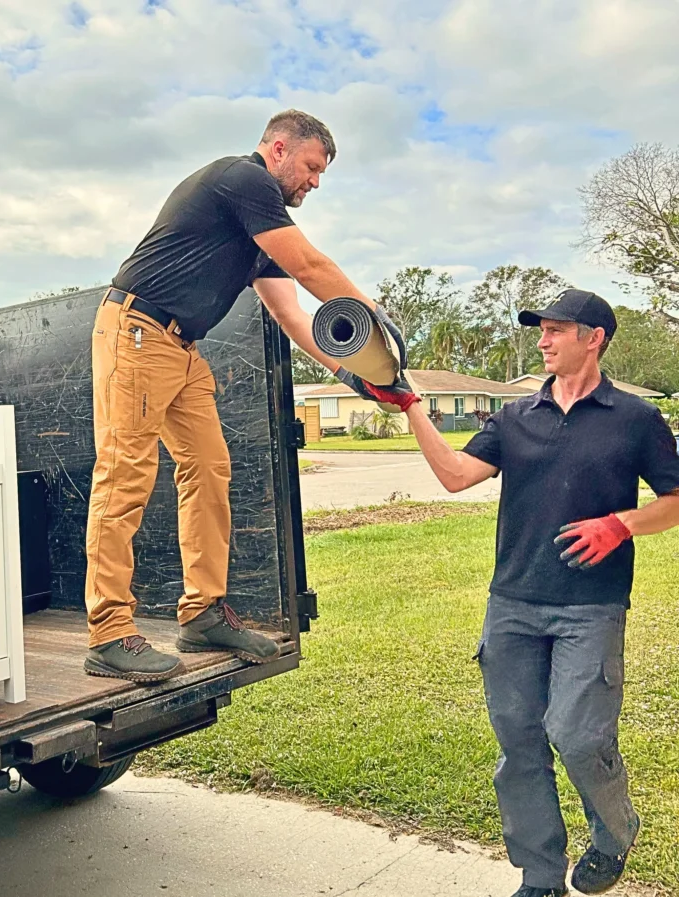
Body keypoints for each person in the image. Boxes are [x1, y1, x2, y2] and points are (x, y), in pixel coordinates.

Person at [340, 289, 679, 897]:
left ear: (593, 337)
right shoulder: (516, 417)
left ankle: (614, 832)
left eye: (556, 330)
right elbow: (454, 476)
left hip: (591, 606)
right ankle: (540, 875)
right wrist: (412, 407)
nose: (543, 340)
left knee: (578, 735)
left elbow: (676, 499)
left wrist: (621, 523)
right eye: (542, 330)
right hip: (513, 605)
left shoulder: (635, 419)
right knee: (519, 742)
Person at [83, 109, 379, 682]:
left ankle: (201, 612)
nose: (315, 182)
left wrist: (354, 375)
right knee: (124, 477)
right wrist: (374, 317)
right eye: (312, 168)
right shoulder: (242, 180)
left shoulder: (256, 231)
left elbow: (293, 316)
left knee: (209, 469)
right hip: (138, 331)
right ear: (277, 149)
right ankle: (109, 631)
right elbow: (312, 266)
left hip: (182, 349)